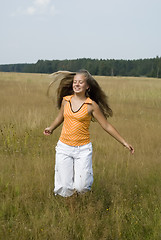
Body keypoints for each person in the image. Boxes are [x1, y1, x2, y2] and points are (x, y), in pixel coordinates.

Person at [43, 69, 134, 198]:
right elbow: (60, 117)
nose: (77, 85)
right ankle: (72, 209)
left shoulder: (91, 105)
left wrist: (124, 142)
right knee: (64, 186)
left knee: (81, 187)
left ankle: (79, 199)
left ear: (87, 86)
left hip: (83, 150)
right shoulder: (66, 101)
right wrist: (51, 128)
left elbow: (106, 125)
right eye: (75, 82)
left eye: (80, 82)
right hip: (64, 147)